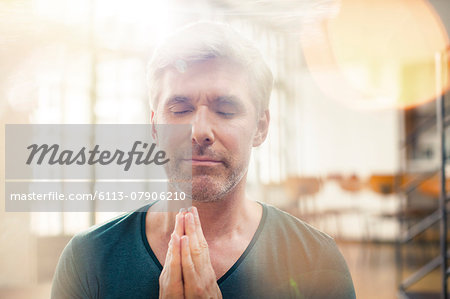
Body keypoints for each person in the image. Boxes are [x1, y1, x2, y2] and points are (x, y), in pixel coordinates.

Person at [51, 21, 356, 299]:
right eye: (180, 110)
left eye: (225, 110)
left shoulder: (317, 259)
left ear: (260, 127)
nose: (199, 132)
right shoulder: (87, 257)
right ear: (155, 127)